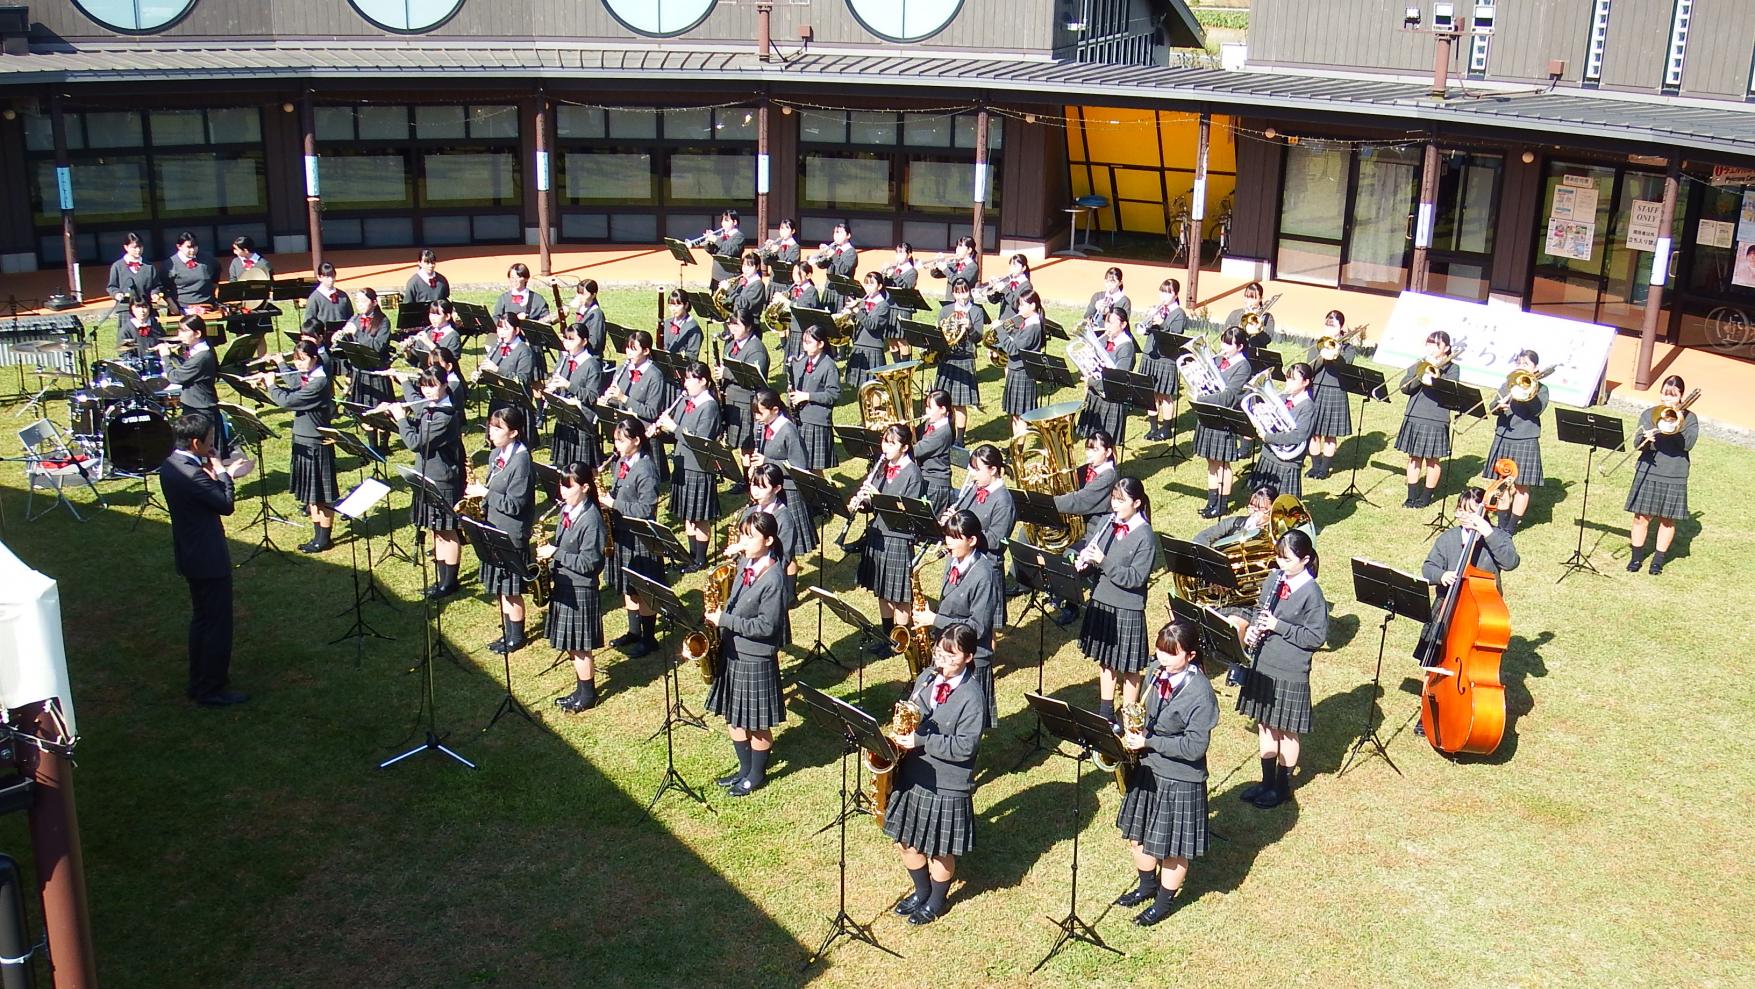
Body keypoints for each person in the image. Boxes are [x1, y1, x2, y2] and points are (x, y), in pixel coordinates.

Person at [1113, 619, 1218, 926]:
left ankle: (1162, 903)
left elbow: (1194, 747)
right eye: (1160, 651)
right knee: (1138, 834)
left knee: (1173, 849)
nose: (1162, 659)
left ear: (1191, 655)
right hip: (1149, 768)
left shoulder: (1201, 694)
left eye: (1171, 654)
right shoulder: (1156, 673)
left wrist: (1150, 741)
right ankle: (1146, 886)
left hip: (1180, 778)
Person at [883, 623, 987, 926]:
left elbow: (966, 747)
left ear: (968, 657)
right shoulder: (927, 678)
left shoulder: (972, 697)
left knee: (940, 851)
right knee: (906, 840)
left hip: (946, 782)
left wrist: (921, 740)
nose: (941, 661)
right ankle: (922, 891)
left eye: (951, 656)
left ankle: (937, 900)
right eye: (939, 652)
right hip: (914, 772)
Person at [160, 411, 250, 706]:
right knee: (217, 625)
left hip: (190, 553)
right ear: (196, 442)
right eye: (210, 439)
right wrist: (223, 472)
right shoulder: (192, 474)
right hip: (207, 557)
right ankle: (211, 688)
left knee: (201, 621)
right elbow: (225, 504)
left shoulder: (170, 464)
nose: (213, 445)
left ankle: (198, 681)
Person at [1414, 486, 1519, 734]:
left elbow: (1510, 562)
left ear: (1484, 513)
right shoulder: (1448, 538)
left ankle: (1470, 713)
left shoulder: (1497, 537)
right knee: (1434, 661)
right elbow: (1428, 567)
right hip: (1446, 608)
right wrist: (1441, 575)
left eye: (1472, 512)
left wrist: (1487, 532)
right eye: (1461, 511)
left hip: (1477, 615)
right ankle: (1427, 711)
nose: (1465, 517)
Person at [1235, 529, 1328, 809]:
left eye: (1287, 559)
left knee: (1286, 730)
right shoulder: (1274, 579)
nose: (1281, 564)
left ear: (1305, 559)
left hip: (1290, 668)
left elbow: (1315, 637)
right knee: (1265, 723)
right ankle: (1266, 782)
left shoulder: (1312, 594)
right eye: (1279, 558)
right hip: (1264, 661)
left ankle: (1282, 787)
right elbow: (1258, 610)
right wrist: (1253, 628)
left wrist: (1279, 626)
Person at [704, 511, 789, 797]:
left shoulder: (774, 579)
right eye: (743, 535)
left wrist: (724, 620)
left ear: (769, 540)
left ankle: (755, 774)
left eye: (750, 537)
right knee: (735, 715)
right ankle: (744, 768)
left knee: (757, 723)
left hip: (755, 657)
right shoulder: (745, 564)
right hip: (733, 651)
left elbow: (767, 626)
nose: (744, 542)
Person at [1077, 477, 1162, 721]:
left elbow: (1135, 578)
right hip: (1102, 600)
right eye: (1114, 499)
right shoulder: (1108, 523)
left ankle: (1128, 716)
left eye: (1121, 500)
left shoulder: (1145, 536)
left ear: (1136, 503)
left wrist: (1103, 561)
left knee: (1129, 667)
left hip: (1127, 607)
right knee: (1106, 660)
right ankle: (1105, 713)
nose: (1115, 505)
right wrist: (1085, 565)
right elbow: (1096, 563)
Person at [917, 511, 1004, 729]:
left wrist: (935, 619)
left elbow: (978, 627)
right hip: (949, 648)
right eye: (947, 535)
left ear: (972, 540)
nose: (948, 542)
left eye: (955, 538)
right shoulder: (953, 559)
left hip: (971, 657)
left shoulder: (984, 575)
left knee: (967, 722)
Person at [464, 407, 536, 654]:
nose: (491, 432)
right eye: (491, 427)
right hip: (493, 525)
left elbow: (515, 505)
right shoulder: (496, 453)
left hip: (511, 532)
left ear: (513, 432)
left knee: (511, 589)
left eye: (498, 428)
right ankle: (508, 631)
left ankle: (517, 636)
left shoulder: (522, 462)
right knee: (499, 585)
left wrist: (485, 494)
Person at [390, 368, 465, 599]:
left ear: (445, 385)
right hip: (427, 474)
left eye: (432, 386)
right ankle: (442, 579)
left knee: (447, 531)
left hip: (442, 479)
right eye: (424, 386)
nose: (427, 391)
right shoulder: (431, 406)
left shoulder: (445, 415)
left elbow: (415, 443)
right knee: (436, 530)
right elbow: (418, 409)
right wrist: (403, 387)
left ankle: (450, 582)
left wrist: (401, 419)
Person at [542, 462, 609, 713]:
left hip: (581, 588)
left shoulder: (591, 520)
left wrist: (556, 553)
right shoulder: (567, 510)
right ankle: (580, 690)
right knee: (572, 643)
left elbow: (590, 563)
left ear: (585, 487)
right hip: (565, 583)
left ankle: (588, 694)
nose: (562, 492)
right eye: (561, 486)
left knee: (581, 647)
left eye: (568, 487)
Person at [855, 423, 926, 651]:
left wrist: (878, 497)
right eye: (884, 441)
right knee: (882, 589)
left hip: (897, 537)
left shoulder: (913, 474)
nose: (885, 447)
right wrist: (863, 503)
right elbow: (873, 503)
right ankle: (887, 637)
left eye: (891, 443)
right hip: (879, 534)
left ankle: (899, 642)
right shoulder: (883, 466)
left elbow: (905, 513)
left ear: (904, 447)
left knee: (900, 596)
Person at [262, 342, 338, 553]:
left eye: (303, 360)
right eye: (296, 360)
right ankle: (317, 536)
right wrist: (280, 366)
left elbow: (289, 400)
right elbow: (295, 382)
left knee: (321, 495)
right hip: (302, 438)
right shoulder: (308, 377)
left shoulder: (319, 382)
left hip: (316, 441)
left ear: (314, 358)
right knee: (311, 493)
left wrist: (271, 386)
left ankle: (324, 538)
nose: (299, 364)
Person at [602, 415, 662, 658]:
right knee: (629, 586)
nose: (616, 446)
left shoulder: (646, 469)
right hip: (622, 533)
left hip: (640, 537)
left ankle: (649, 638)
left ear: (636, 440)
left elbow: (646, 509)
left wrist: (614, 504)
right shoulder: (621, 462)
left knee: (643, 588)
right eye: (615, 440)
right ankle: (634, 631)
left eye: (621, 440)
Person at [653, 362, 722, 573]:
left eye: (691, 379)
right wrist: (660, 432)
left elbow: (699, 440)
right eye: (686, 378)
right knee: (687, 513)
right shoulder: (686, 401)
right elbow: (676, 436)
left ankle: (700, 559)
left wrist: (673, 428)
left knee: (699, 516)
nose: (686, 383)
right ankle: (691, 556)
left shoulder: (709, 407)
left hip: (698, 467)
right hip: (682, 463)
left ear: (704, 381)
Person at [1625, 374, 1697, 575]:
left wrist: (1676, 424)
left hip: (1674, 472)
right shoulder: (1650, 414)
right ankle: (1636, 558)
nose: (1668, 399)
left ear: (1681, 397)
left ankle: (1657, 560)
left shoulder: (1690, 418)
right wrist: (1646, 439)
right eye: (1665, 394)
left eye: (1673, 395)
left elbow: (1688, 445)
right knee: (1641, 517)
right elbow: (1637, 444)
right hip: (1649, 469)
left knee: (1667, 519)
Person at [1481, 349, 1548, 533]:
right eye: (1519, 363)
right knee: (1501, 483)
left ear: (1535, 368)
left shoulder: (1541, 389)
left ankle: (1511, 527)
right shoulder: (1509, 383)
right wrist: (1498, 407)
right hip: (1504, 436)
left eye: (1526, 364)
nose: (1521, 366)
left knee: (1521, 486)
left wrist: (1528, 389)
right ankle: (1502, 524)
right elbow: (1492, 406)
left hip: (1525, 438)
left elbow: (1537, 410)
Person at [746, 388, 816, 558]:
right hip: (773, 488)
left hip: (789, 491)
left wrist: (766, 461)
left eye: (760, 413)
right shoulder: (765, 426)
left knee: (788, 548)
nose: (757, 418)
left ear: (775, 410)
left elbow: (799, 466)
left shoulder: (788, 431)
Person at [1193, 326, 1253, 519]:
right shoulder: (1218, 360)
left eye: (1229, 345)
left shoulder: (1243, 367)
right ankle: (1211, 501)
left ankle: (1222, 504)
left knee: (1223, 463)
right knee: (1211, 460)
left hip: (1223, 418)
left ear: (1240, 346)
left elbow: (1228, 397)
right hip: (1208, 415)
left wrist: (1201, 399)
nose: (1223, 348)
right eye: (1223, 343)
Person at [1396, 329, 1460, 509]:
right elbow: (1405, 388)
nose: (1431, 348)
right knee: (1414, 457)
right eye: (1429, 344)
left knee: (1432, 460)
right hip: (1416, 413)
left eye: (1436, 345)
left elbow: (1451, 392)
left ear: (1446, 348)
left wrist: (1436, 375)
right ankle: (1411, 496)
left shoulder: (1452, 368)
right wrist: (1420, 373)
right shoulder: (1420, 363)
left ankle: (1426, 496)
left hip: (1437, 417)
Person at [1247, 362, 1317, 498]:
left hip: (1288, 462)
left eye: (1293, 379)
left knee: (1282, 504)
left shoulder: (1308, 407)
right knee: (1260, 500)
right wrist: (1261, 413)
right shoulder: (1282, 398)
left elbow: (1299, 435)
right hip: (1269, 454)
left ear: (1305, 382)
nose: (1288, 383)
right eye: (1288, 378)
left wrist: (1269, 437)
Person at [1303, 309, 1358, 479]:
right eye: (1327, 325)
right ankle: (1315, 466)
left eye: (1333, 325)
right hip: (1317, 389)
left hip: (1336, 391)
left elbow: (1345, 367)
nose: (1329, 328)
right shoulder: (1318, 344)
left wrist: (1336, 353)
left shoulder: (1348, 348)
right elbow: (1310, 368)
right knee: (1314, 432)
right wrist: (1323, 354)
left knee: (1330, 434)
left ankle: (1325, 468)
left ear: (1341, 328)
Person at [544, 320, 604, 470]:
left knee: (579, 469)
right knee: (561, 466)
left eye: (572, 340)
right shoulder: (564, 360)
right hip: (565, 415)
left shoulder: (592, 365)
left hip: (582, 420)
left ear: (584, 341)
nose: (567, 344)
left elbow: (592, 396)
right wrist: (552, 390)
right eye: (566, 339)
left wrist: (568, 385)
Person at [159, 315, 223, 451]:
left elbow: (175, 377)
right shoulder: (201, 349)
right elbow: (188, 367)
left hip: (200, 408)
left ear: (197, 333)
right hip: (196, 404)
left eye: (184, 331)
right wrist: (173, 355)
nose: (179, 334)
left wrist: (165, 357)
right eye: (179, 330)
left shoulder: (202, 356)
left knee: (206, 450)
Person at [1077, 307, 1139, 449]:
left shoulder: (1126, 347)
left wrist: (1092, 381)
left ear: (1123, 325)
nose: (1107, 326)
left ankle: (1110, 464)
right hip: (1096, 394)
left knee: (1108, 444)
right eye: (1106, 322)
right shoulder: (1103, 341)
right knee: (1092, 440)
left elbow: (1118, 377)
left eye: (1112, 323)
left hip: (1112, 398)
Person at [934, 278, 985, 438]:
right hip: (947, 358)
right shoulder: (946, 310)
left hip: (965, 358)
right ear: (953, 294)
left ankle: (960, 439)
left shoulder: (976, 311)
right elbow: (939, 332)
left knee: (959, 403)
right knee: (944, 401)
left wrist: (970, 327)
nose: (962, 296)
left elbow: (978, 338)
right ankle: (946, 434)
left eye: (965, 292)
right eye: (958, 292)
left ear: (969, 292)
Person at [785, 324, 840, 470]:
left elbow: (833, 395)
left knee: (814, 470)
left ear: (821, 344)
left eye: (809, 342)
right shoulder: (802, 362)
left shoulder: (829, 366)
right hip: (800, 419)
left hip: (816, 422)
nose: (805, 346)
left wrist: (807, 396)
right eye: (804, 342)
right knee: (800, 466)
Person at [1139, 277, 1187, 442]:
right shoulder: (1158, 309)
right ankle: (1153, 428)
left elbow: (1175, 335)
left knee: (1165, 395)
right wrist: (1148, 322)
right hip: (1151, 354)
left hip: (1166, 358)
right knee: (1151, 393)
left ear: (1176, 294)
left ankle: (1166, 429)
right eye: (1162, 292)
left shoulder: (1179, 314)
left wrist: (1162, 323)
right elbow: (1148, 330)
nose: (1164, 296)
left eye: (1168, 292)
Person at [718, 313, 769, 455]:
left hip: (746, 403)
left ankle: (749, 470)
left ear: (749, 327)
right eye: (731, 324)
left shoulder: (756, 350)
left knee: (747, 448)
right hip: (730, 400)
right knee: (733, 444)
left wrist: (725, 373)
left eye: (737, 325)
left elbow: (753, 380)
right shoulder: (731, 344)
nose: (732, 328)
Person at [998, 290, 1046, 434]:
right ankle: (1016, 443)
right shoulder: (1028, 323)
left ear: (1033, 306)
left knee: (1021, 416)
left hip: (1022, 373)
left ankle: (1019, 445)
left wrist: (999, 330)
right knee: (1015, 414)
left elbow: (1013, 349)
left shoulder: (1033, 327)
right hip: (1017, 370)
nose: (1019, 308)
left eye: (1022, 305)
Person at [602, 329, 666, 426]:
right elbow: (618, 403)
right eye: (628, 348)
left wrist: (624, 398)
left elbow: (652, 412)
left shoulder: (655, 376)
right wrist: (608, 402)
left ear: (646, 351)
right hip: (622, 425)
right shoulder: (622, 369)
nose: (629, 353)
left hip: (641, 428)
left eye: (634, 349)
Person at [1194, 483, 1278, 548]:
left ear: (1272, 509)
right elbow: (1204, 535)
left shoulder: (1275, 532)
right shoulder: (1235, 522)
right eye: (1252, 505)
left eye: (1261, 508)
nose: (1255, 511)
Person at [845, 270, 890, 391]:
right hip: (859, 344)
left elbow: (872, 325)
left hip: (873, 347)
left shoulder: (883, 306)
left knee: (873, 386)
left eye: (871, 284)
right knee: (858, 386)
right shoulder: (862, 302)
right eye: (866, 284)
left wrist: (857, 311)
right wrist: (848, 315)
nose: (868, 287)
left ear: (879, 286)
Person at [107, 233, 160, 330]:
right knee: (128, 337)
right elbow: (112, 286)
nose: (138, 250)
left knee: (150, 335)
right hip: (126, 309)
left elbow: (156, 285)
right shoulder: (117, 266)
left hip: (145, 308)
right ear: (126, 247)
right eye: (134, 247)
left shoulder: (149, 266)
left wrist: (155, 293)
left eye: (140, 247)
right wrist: (116, 294)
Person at [915, 390, 956, 514]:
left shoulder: (943, 433)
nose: (926, 411)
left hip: (936, 485)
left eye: (930, 408)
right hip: (926, 478)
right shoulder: (930, 424)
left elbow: (916, 451)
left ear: (942, 409)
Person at [161, 232, 216, 312]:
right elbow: (164, 287)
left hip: (208, 305)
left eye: (195, 246)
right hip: (183, 307)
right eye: (189, 247)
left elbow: (215, 278)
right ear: (179, 246)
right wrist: (172, 305)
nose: (192, 250)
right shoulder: (169, 264)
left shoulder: (208, 259)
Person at [884, 241, 920, 361]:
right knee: (891, 337)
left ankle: (905, 365)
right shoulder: (895, 269)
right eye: (897, 253)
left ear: (909, 254)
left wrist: (894, 275)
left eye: (901, 253)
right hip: (890, 305)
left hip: (903, 307)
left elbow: (906, 287)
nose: (898, 256)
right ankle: (897, 364)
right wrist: (884, 275)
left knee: (902, 339)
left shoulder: (912, 272)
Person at [781, 259, 821, 360]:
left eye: (798, 274)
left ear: (808, 275)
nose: (795, 277)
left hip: (804, 331)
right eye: (793, 273)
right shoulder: (794, 289)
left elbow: (802, 307)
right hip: (794, 329)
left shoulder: (812, 291)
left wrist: (786, 301)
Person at [492, 262, 552, 327]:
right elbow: (496, 318)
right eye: (512, 277)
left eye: (518, 277)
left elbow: (546, 321)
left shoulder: (538, 300)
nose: (515, 280)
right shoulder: (504, 298)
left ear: (526, 278)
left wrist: (528, 320)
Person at [816, 219, 859, 309]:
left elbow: (843, 270)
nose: (836, 235)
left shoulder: (851, 253)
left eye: (840, 233)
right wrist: (822, 255)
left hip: (843, 292)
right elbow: (821, 265)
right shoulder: (833, 248)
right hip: (829, 288)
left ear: (848, 235)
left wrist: (833, 255)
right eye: (835, 233)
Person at [927, 236, 980, 302]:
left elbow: (959, 282)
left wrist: (944, 268)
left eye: (960, 246)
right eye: (957, 246)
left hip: (964, 303)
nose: (957, 249)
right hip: (950, 302)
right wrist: (935, 267)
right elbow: (936, 275)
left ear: (969, 250)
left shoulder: (972, 266)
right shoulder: (956, 264)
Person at [304, 262, 353, 332]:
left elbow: (351, 317)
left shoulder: (343, 295)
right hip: (324, 336)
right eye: (327, 277)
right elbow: (309, 322)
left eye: (332, 276)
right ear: (319, 277)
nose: (331, 279)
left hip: (343, 335)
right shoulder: (314, 298)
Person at [1225, 281, 1275, 348]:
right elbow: (1225, 335)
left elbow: (1267, 340)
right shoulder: (1235, 314)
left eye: (1253, 297)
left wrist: (1258, 328)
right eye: (1246, 297)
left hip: (1254, 352)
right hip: (1236, 351)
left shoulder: (1267, 317)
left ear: (1261, 298)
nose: (1249, 300)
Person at [727, 252, 768, 334]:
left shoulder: (758, 285)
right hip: (737, 322)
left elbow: (744, 304)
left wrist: (729, 289)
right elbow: (734, 300)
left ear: (757, 267)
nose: (746, 269)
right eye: (744, 265)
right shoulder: (743, 281)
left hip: (750, 326)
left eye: (750, 266)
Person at [566, 278, 606, 357]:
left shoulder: (597, 315)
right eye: (578, 293)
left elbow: (594, 343)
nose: (579, 297)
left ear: (593, 295)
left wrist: (576, 341)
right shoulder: (581, 309)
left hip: (590, 357)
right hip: (579, 353)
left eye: (583, 294)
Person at [985, 253, 1032, 321]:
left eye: (1015, 266)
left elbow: (1018, 305)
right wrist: (991, 287)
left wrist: (1004, 289)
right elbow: (993, 301)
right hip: (1003, 321)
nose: (1012, 269)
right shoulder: (1008, 281)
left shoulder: (1027, 286)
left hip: (1016, 323)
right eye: (1010, 266)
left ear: (1023, 268)